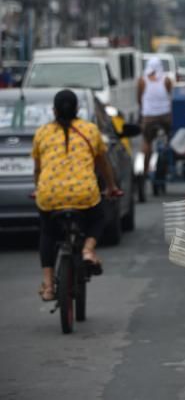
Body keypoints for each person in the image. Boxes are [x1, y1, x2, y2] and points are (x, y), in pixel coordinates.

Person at [32, 90, 122, 301]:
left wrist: (39, 189)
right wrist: (111, 187)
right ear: (78, 110)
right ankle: (89, 250)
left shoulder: (42, 133)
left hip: (50, 196)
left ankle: (47, 285)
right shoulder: (90, 130)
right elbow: (103, 165)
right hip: (84, 195)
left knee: (47, 232)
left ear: (53, 110)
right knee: (98, 216)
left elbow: (38, 169)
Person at [138, 56, 172, 177]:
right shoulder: (166, 80)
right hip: (165, 116)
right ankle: (168, 167)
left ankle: (146, 169)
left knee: (147, 142)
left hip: (149, 116)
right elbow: (169, 95)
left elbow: (139, 98)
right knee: (170, 139)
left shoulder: (142, 80)